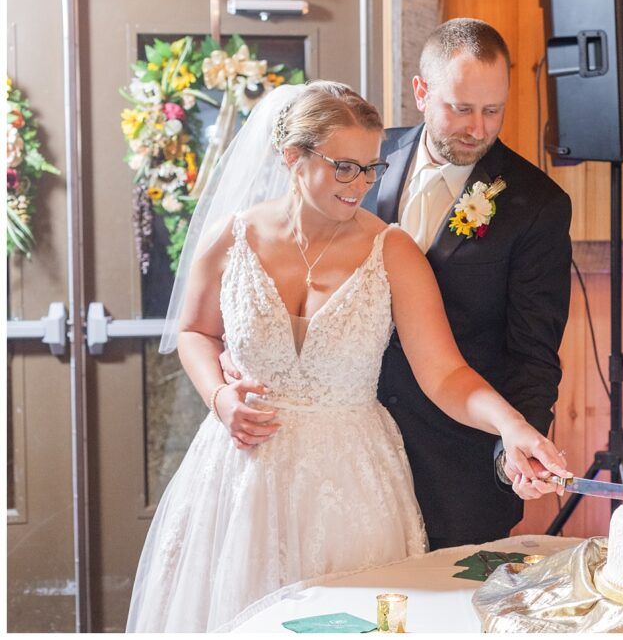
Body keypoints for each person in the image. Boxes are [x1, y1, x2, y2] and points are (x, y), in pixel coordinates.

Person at [126, 81, 570, 632]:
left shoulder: (393, 250)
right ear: (293, 156)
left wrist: (512, 426)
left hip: (351, 487)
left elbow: (446, 373)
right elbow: (194, 330)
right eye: (344, 167)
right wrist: (219, 397)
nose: (360, 184)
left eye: (370, 168)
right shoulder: (231, 238)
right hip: (239, 480)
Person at [220, 18, 573, 549]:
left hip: (458, 464)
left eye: (492, 110)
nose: (477, 128)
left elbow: (534, 355)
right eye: (460, 108)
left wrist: (511, 444)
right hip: (333, 457)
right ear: (422, 91)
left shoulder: (537, 205)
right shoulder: (358, 158)